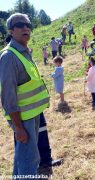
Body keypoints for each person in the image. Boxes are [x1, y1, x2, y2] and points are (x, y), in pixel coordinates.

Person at [0, 13, 50, 176]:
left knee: (23, 159)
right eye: (20, 25)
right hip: (23, 119)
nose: (26, 28)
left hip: (32, 114)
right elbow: (8, 96)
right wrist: (18, 127)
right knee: (29, 161)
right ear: (11, 31)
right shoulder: (9, 57)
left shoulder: (23, 52)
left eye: (28, 25)